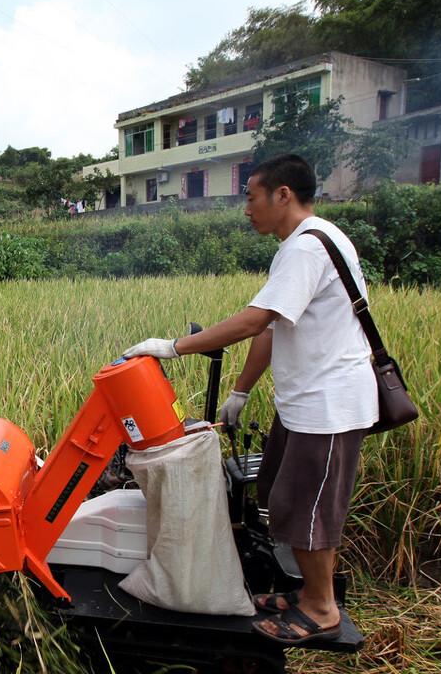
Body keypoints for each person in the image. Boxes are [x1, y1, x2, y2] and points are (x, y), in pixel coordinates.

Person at [121, 154, 377, 646]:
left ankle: (321, 608)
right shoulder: (303, 244)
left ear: (282, 194)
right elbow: (277, 324)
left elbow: (254, 320)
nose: (246, 209)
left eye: (251, 196)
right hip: (304, 403)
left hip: (329, 406)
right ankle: (306, 596)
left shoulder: (306, 248)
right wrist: (241, 389)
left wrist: (173, 347)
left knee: (307, 508)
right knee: (281, 495)